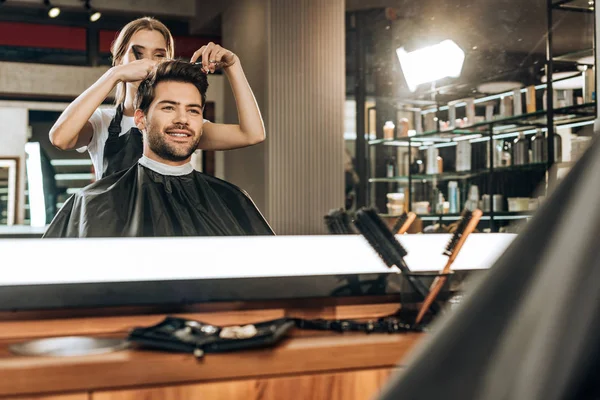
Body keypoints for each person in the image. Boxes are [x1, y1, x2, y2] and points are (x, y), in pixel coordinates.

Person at [42, 60, 273, 238]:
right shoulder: (92, 204)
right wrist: (115, 75)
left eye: (193, 110)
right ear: (140, 119)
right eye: (169, 108)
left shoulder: (231, 201)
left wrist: (232, 65)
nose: (182, 119)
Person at [48, 17, 265, 181]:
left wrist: (233, 66)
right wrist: (114, 75)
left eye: (159, 55)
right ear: (119, 57)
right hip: (114, 235)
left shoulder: (179, 125)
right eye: (138, 54)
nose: (148, 62)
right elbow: (60, 138)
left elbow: (251, 134)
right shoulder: (101, 122)